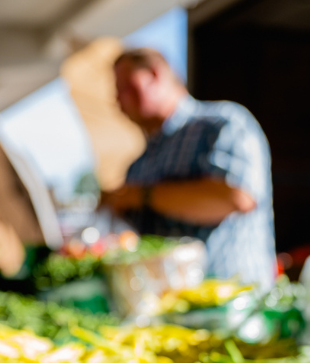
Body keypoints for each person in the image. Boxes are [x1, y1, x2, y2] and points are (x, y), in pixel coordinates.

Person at [102, 48, 277, 288]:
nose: (118, 100)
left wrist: (140, 195)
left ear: (154, 73)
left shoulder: (222, 123)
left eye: (124, 87)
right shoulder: (138, 165)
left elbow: (233, 197)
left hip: (231, 308)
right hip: (165, 312)